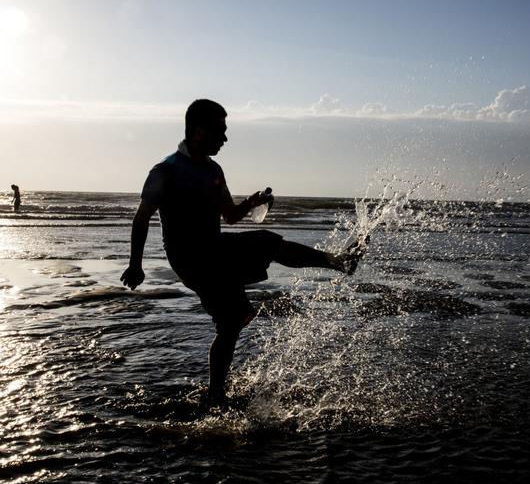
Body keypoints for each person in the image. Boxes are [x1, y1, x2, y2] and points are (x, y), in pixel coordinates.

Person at [121, 99, 366, 405]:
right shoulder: (166, 171)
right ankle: (339, 262)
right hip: (191, 259)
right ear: (199, 131)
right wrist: (135, 265)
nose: (225, 139)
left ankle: (215, 396)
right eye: (219, 131)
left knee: (232, 320)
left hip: (215, 252)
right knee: (266, 244)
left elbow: (230, 217)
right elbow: (142, 217)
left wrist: (251, 203)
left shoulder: (213, 170)